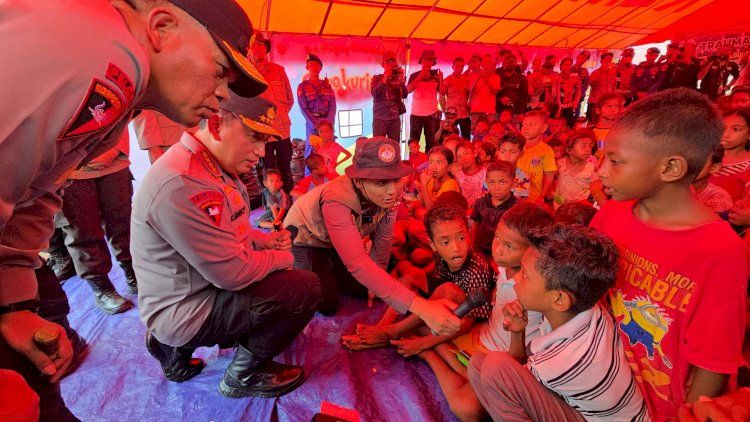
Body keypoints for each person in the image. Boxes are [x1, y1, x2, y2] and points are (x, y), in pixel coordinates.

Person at [0, 0, 266, 419]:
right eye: (220, 71)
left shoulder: (122, 95)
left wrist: (13, 305)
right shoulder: (110, 58)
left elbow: (38, 192)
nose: (222, 94)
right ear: (160, 26)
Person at [132, 95, 321, 397]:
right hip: (190, 304)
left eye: (265, 140)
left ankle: (172, 347)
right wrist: (280, 256)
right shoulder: (183, 182)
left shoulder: (209, 164)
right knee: (304, 286)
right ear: (217, 125)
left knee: (275, 270)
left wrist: (264, 240)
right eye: (254, 137)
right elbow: (233, 274)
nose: (261, 152)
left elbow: (230, 230)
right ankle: (243, 374)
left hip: (189, 289)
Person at [592, 88, 750, 420]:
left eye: (616, 161)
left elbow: (714, 361)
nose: (602, 171)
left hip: (661, 408)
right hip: (605, 390)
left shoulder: (719, 250)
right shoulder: (612, 214)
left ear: (671, 168)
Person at [284, 137, 463, 337]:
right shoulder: (337, 198)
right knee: (327, 303)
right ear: (359, 181)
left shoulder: (391, 198)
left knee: (369, 288)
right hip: (308, 239)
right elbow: (357, 262)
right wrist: (422, 308)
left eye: (395, 180)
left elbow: (383, 241)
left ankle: (331, 265)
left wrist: (373, 280)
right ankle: (311, 267)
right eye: (380, 182)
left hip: (337, 239)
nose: (392, 191)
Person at [469, 224, 649, 421]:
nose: (517, 279)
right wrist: (518, 331)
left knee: (494, 367)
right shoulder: (590, 309)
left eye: (525, 275)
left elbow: (511, 371)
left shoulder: (557, 364)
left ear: (559, 300)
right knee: (479, 363)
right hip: (594, 411)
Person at [417, 203, 553, 422]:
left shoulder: (536, 291)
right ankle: (457, 365)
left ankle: (432, 355)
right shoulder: (502, 265)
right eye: (497, 238)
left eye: (509, 246)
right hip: (482, 336)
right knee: (428, 320)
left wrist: (425, 345)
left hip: (500, 359)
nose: (497, 249)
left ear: (533, 252)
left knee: (467, 409)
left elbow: (518, 360)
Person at [342, 203, 496, 353]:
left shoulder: (477, 270)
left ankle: (391, 332)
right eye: (445, 242)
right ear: (433, 245)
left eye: (461, 238)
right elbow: (434, 276)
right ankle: (381, 328)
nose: (455, 248)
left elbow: (470, 321)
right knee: (412, 276)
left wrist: (423, 343)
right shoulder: (441, 255)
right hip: (445, 291)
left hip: (463, 310)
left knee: (448, 290)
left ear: (468, 236)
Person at [57, 129, 136, 314]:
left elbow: (123, 112)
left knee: (124, 223)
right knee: (82, 232)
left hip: (114, 161)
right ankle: (101, 288)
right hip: (70, 169)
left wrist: (116, 147)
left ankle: (135, 275)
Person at [250, 30, 295, 193]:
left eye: (261, 44)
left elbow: (289, 99)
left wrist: (281, 113)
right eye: (253, 44)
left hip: (282, 129)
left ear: (266, 48)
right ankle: (271, 206)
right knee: (266, 169)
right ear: (247, 48)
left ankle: (288, 202)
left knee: (285, 166)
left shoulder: (278, 71)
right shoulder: (244, 73)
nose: (257, 48)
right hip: (260, 132)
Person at [470, 161, 518, 258]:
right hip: (480, 250)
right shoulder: (480, 203)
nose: (496, 188)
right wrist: (472, 245)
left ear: (514, 183)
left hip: (503, 254)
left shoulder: (517, 208)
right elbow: (476, 225)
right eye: (491, 182)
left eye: (502, 182)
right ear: (486, 182)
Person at [518, 111, 557, 204]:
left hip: (532, 197)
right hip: (513, 194)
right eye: (523, 125)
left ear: (543, 128)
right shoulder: (516, 146)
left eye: (532, 124)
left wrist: (542, 195)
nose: (526, 128)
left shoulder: (546, 150)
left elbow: (549, 175)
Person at [408, 50, 443, 151]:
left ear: (433, 62)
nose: (427, 62)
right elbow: (408, 90)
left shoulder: (437, 75)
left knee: (432, 145)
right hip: (416, 114)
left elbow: (442, 93)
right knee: (413, 145)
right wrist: (420, 76)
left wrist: (441, 79)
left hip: (432, 114)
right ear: (421, 61)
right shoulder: (414, 75)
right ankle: (413, 166)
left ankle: (431, 166)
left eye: (430, 60)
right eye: (425, 59)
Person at [298, 53, 336, 140]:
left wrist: (328, 124)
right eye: (311, 65)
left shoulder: (327, 86)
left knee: (329, 150)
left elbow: (332, 107)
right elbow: (303, 109)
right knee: (312, 150)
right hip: (312, 125)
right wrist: (316, 126)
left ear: (321, 68)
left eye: (317, 65)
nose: (314, 68)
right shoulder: (302, 87)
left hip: (327, 123)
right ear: (307, 67)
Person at [371, 50, 408, 141]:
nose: (390, 64)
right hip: (380, 118)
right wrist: (385, 79)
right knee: (378, 145)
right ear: (383, 65)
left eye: (393, 61)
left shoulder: (399, 78)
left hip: (394, 118)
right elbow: (374, 93)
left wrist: (402, 82)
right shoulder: (377, 78)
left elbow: (405, 95)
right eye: (388, 62)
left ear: (396, 63)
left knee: (394, 145)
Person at [692, 148, 733, 214]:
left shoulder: (717, 196)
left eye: (697, 162)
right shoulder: (673, 188)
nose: (688, 166)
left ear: (714, 167)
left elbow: (714, 223)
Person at [440, 57, 471, 140]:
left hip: (464, 113)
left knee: (466, 137)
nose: (459, 68)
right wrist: (444, 110)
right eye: (457, 66)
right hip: (451, 113)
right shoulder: (447, 80)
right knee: (449, 137)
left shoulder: (466, 79)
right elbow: (442, 94)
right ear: (453, 67)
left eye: (461, 66)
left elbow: (470, 94)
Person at [469, 54, 501, 127]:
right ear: (481, 64)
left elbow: (495, 91)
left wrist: (487, 81)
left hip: (489, 110)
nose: (487, 64)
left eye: (490, 62)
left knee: (489, 132)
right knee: (475, 132)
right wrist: (478, 78)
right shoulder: (472, 74)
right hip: (476, 109)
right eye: (485, 62)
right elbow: (471, 90)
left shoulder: (496, 77)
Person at [587, 52, 617, 122]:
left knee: (606, 121)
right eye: (606, 60)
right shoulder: (596, 72)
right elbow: (591, 82)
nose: (608, 62)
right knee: (593, 121)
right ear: (601, 61)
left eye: (610, 60)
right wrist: (603, 70)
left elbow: (614, 87)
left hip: (608, 102)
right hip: (596, 101)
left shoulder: (614, 73)